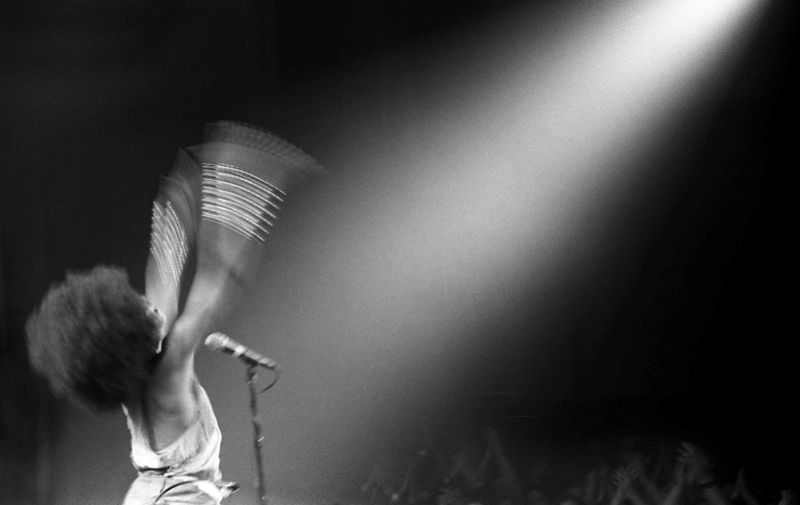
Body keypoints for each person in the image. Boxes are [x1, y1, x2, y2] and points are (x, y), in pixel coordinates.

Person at [25, 121, 322, 504]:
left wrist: (174, 211)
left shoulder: (133, 379)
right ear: (129, 339)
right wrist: (239, 188)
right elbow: (215, 282)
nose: (148, 306)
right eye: (140, 310)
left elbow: (162, 282)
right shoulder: (172, 363)